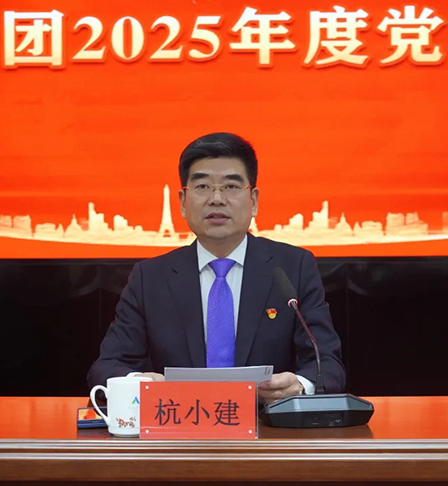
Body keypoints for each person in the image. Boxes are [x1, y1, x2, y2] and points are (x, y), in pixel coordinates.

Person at [87, 132, 345, 401]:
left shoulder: (293, 268)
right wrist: (140, 384)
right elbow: (107, 367)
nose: (217, 199)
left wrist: (299, 386)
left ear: (253, 201)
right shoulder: (150, 278)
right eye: (202, 186)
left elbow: (326, 362)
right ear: (182, 202)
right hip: (178, 422)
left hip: (267, 424)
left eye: (231, 186)